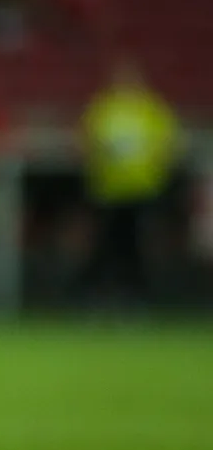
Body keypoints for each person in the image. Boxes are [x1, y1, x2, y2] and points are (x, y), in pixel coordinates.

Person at [77, 60, 180, 307]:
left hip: (143, 189)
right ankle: (101, 295)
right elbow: (85, 142)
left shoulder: (152, 109)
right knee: (107, 246)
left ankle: (138, 296)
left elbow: (168, 144)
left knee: (137, 247)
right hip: (108, 189)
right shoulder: (103, 108)